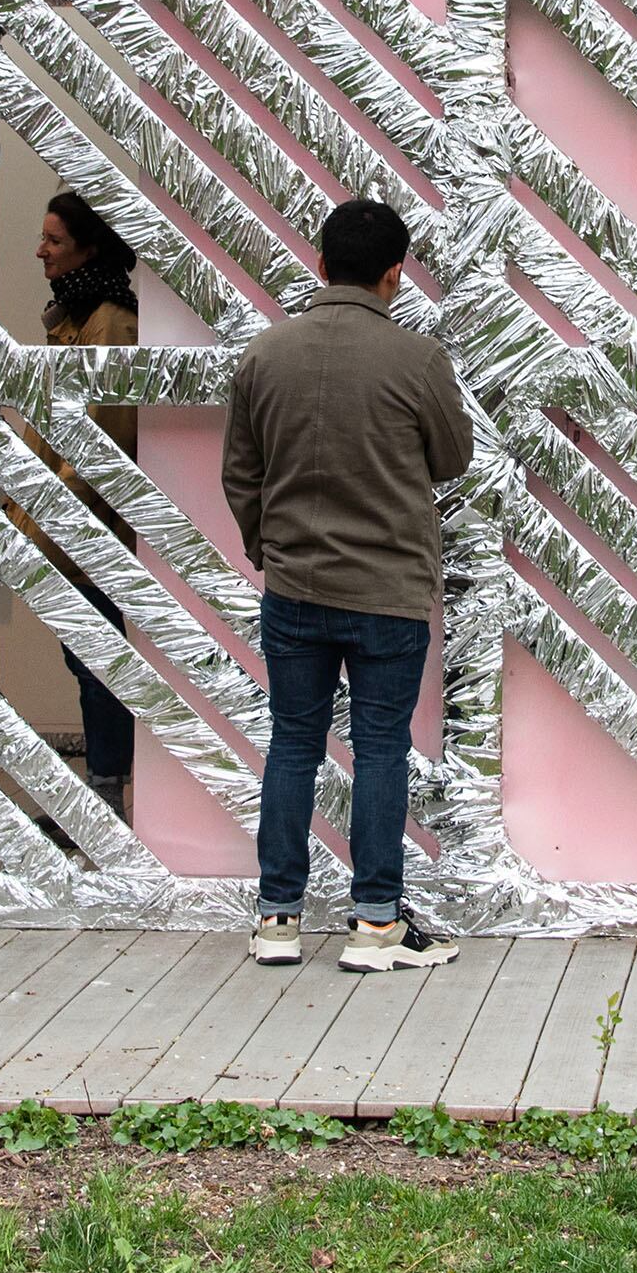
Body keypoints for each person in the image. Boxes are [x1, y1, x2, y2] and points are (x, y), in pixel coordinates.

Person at [227, 198, 475, 973]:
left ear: (322, 263)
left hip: (296, 586)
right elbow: (453, 458)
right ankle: (374, 927)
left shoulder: (266, 355)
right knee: (379, 750)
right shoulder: (419, 360)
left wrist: (268, 547)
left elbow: (242, 474)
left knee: (293, 744)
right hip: (387, 590)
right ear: (394, 275)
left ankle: (278, 918)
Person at [35, 191, 142, 820]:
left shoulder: (109, 322)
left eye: (54, 240)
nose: (40, 250)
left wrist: (45, 507)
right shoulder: (76, 314)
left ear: (89, 248)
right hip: (73, 516)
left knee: (97, 661)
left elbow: (105, 435)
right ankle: (104, 790)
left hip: (93, 525)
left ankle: (108, 795)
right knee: (86, 657)